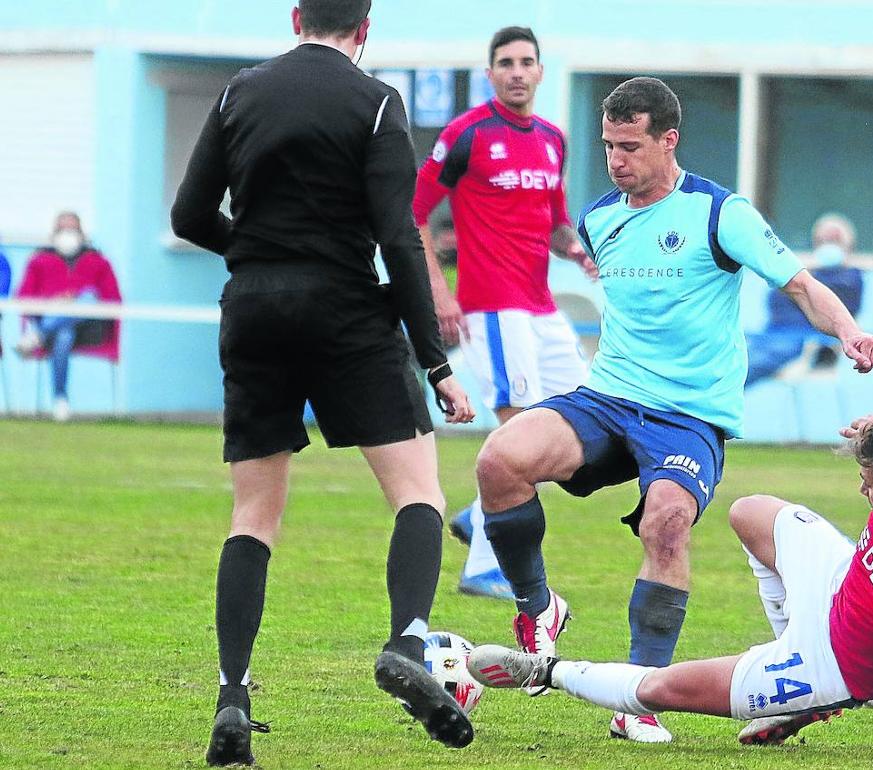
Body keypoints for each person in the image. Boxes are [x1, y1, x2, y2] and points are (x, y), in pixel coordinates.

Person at [473, 76, 873, 743]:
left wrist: (848, 332)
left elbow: (802, 285)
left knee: (665, 523)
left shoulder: (722, 214)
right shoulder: (600, 220)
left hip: (687, 417)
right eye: (608, 145)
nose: (616, 160)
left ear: (669, 140)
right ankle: (538, 607)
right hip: (606, 397)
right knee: (499, 459)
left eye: (630, 146)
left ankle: (638, 698)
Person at [467, 415, 873, 770]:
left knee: (662, 690)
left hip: (839, 665)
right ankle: (785, 649)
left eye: (870, 484)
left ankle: (543, 669)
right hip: (839, 585)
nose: (862, 490)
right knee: (749, 511)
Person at [170, 0, 476, 763]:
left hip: (253, 309)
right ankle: (407, 639)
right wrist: (434, 359)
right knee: (417, 493)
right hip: (344, 310)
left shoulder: (239, 91)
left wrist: (262, 254)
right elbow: (399, 238)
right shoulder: (376, 102)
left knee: (253, 515)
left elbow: (186, 214)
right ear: (365, 30)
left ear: (297, 16)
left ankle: (232, 694)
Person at [411, 26, 597, 602]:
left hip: (541, 307)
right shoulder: (467, 134)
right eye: (506, 63)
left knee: (586, 426)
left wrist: (575, 248)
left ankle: (475, 514)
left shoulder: (552, 139)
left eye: (526, 62)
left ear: (541, 71)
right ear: (490, 73)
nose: (517, 71)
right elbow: (413, 213)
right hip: (492, 306)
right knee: (517, 430)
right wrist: (441, 292)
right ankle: (484, 567)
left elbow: (555, 217)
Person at [14, 211, 122, 422]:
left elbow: (114, 300)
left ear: (81, 234)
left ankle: (37, 335)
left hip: (91, 329)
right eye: (62, 229)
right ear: (53, 234)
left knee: (89, 296)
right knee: (64, 335)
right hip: (56, 330)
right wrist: (53, 303)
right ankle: (60, 400)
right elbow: (24, 298)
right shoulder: (39, 261)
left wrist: (76, 302)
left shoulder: (98, 261)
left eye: (72, 229)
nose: (67, 234)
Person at [745, 212, 864, 386]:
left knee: (743, 370)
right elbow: (777, 299)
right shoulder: (803, 272)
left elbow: (838, 306)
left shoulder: (850, 279)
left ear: (847, 245)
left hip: (799, 341)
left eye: (834, 240)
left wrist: (806, 278)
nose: (828, 245)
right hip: (771, 334)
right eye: (824, 240)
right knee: (731, 359)